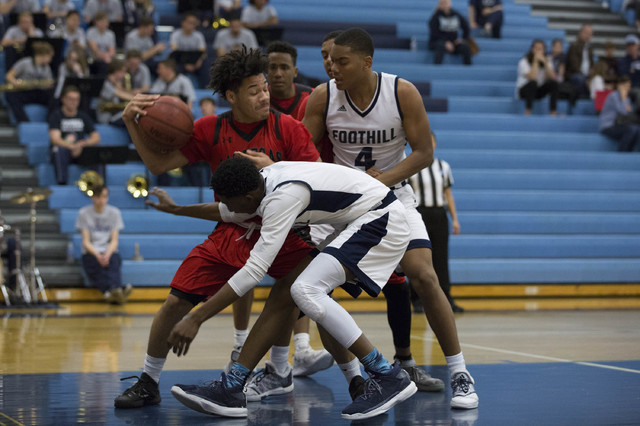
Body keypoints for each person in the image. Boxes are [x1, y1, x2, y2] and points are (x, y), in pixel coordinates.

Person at [113, 47, 331, 410]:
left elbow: (321, 180)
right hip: (230, 227)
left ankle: (308, 368)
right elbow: (158, 163)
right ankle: (149, 380)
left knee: (300, 289)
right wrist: (131, 124)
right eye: (254, 90)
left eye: (265, 88)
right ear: (231, 96)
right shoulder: (210, 129)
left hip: (282, 230)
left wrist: (276, 166)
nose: (265, 95)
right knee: (173, 303)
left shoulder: (287, 127)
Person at [302, 28, 478, 410]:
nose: (333, 67)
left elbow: (424, 152)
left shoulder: (402, 92)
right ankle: (356, 379)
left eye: (342, 61)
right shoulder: (322, 96)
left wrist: (380, 180)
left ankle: (460, 372)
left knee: (425, 276)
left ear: (367, 62)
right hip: (341, 205)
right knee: (314, 290)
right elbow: (303, 151)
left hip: (392, 198)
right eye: (330, 61)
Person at [169, 157, 418, 420]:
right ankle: (232, 387)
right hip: (357, 220)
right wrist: (175, 209)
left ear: (249, 195)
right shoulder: (261, 182)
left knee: (305, 290)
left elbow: (253, 271)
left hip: (381, 219)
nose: (228, 206)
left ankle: (387, 375)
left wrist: (196, 317)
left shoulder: (283, 197)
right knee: (285, 292)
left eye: (229, 199)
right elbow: (227, 211)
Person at [410, 132, 462, 312]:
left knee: (441, 257)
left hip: (439, 214)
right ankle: (416, 299)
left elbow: (448, 195)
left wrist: (454, 219)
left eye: (431, 141)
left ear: (435, 144)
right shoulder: (411, 165)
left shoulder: (443, 166)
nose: (429, 144)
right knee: (419, 258)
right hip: (418, 213)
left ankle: (446, 297)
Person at [76, 184, 132, 304]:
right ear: (93, 197)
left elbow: (114, 240)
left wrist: (107, 254)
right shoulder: (83, 213)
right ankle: (117, 291)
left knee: (114, 261)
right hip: (91, 251)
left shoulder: (115, 212)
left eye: (104, 197)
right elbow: (86, 242)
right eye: (99, 197)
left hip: (109, 250)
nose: (102, 200)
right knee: (94, 266)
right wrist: (98, 255)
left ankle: (111, 292)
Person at [49, 85, 101, 185]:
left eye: (77, 99)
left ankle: (98, 185)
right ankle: (62, 183)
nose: (74, 102)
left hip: (80, 149)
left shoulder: (83, 116)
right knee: (58, 150)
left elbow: (96, 137)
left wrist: (84, 143)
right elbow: (55, 139)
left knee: (97, 151)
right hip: (65, 150)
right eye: (71, 99)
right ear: (63, 99)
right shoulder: (56, 116)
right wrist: (72, 146)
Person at [4, 41, 55, 123]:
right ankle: (23, 121)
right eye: (50, 57)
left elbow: (49, 83)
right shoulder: (25, 62)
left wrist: (47, 85)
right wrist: (15, 82)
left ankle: (50, 121)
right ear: (44, 55)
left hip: (39, 92)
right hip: (25, 91)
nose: (50, 60)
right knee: (10, 94)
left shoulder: (47, 68)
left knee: (54, 96)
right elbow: (9, 76)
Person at [516, 39, 559, 116]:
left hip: (538, 91)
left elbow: (553, 77)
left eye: (541, 49)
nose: (538, 51)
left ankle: (553, 112)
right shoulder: (523, 62)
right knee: (533, 83)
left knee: (553, 84)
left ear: (544, 50)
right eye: (536, 48)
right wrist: (535, 61)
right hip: (524, 91)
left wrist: (545, 63)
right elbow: (532, 77)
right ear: (532, 49)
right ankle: (528, 111)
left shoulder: (547, 60)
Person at [599, 75, 640, 152]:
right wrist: (623, 98)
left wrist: (625, 101)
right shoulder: (613, 96)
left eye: (629, 86)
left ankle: (629, 154)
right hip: (609, 126)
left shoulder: (627, 98)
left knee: (637, 129)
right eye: (625, 86)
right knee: (631, 129)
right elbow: (624, 111)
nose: (628, 89)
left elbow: (629, 114)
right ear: (619, 86)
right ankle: (621, 154)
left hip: (620, 124)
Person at [428, 0, 472, 65]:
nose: (444, 5)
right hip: (438, 42)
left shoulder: (456, 14)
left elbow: (466, 27)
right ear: (439, 5)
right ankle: (436, 67)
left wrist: (463, 39)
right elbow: (434, 33)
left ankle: (469, 68)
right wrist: (446, 42)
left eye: (446, 3)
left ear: (450, 3)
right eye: (442, 3)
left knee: (465, 47)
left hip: (453, 42)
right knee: (440, 46)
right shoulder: (436, 16)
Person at [97, 59, 136, 126]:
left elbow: (126, 94)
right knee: (131, 115)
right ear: (116, 72)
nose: (124, 75)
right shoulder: (106, 84)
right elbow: (122, 95)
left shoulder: (116, 83)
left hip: (116, 113)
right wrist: (139, 99)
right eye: (123, 72)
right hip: (107, 117)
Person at [169, 12, 207, 79]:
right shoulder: (175, 34)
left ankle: (207, 88)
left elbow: (203, 52)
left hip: (196, 62)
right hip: (180, 62)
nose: (192, 25)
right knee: (174, 65)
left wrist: (198, 62)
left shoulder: (199, 35)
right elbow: (175, 51)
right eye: (190, 22)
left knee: (207, 66)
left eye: (194, 23)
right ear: (183, 23)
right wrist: (185, 65)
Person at [548, 38, 578, 114]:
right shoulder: (547, 56)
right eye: (556, 46)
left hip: (558, 80)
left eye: (560, 47)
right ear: (552, 47)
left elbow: (561, 73)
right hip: (548, 79)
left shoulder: (563, 57)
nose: (558, 49)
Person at [565, 24, 593, 98]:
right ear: (580, 33)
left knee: (598, 79)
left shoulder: (589, 48)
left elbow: (592, 65)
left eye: (590, 34)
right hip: (574, 75)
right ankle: (582, 99)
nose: (588, 35)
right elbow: (574, 66)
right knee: (579, 79)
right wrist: (585, 78)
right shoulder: (574, 46)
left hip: (587, 75)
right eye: (586, 33)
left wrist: (591, 76)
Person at [86, 11, 116, 75]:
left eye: (105, 21)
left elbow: (112, 51)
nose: (104, 24)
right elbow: (95, 50)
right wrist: (105, 57)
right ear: (96, 22)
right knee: (102, 65)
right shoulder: (90, 32)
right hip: (94, 59)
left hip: (107, 59)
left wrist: (107, 57)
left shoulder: (110, 34)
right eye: (102, 21)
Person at [618, 34, 640, 107]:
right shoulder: (623, 61)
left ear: (637, 45)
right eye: (629, 45)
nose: (631, 47)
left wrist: (633, 71)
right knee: (638, 92)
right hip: (630, 88)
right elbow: (624, 76)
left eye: (633, 45)